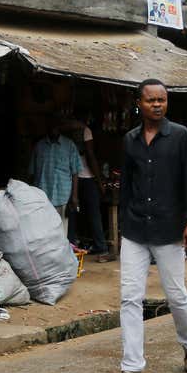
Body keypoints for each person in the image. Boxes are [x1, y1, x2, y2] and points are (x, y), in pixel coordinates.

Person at [105, 80, 187, 373]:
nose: (157, 105)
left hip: (169, 229)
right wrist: (122, 226)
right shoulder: (130, 140)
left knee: (176, 295)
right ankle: (133, 368)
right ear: (140, 103)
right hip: (135, 229)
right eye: (151, 100)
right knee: (130, 298)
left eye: (162, 100)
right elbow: (128, 185)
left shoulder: (180, 136)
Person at [68, 112, 112, 262]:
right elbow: (91, 156)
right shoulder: (85, 130)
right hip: (86, 176)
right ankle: (101, 249)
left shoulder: (66, 130)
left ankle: (71, 248)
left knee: (72, 214)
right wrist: (100, 182)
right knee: (94, 213)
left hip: (70, 177)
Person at [30, 120, 82, 234]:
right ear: (47, 127)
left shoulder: (69, 145)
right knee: (44, 232)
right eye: (51, 126)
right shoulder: (39, 146)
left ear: (60, 127)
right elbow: (32, 173)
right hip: (43, 198)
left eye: (56, 126)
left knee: (62, 233)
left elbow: (75, 172)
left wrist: (74, 197)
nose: (53, 128)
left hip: (63, 197)